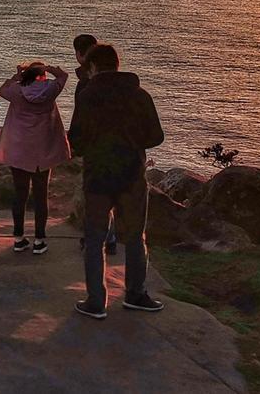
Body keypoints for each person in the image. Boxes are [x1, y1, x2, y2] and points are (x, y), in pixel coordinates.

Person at [67, 43, 165, 319]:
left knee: (96, 238)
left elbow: (76, 140)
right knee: (135, 237)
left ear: (94, 67)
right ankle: (136, 294)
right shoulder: (139, 95)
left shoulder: (87, 97)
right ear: (117, 65)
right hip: (132, 174)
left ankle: (96, 301)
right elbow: (156, 136)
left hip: (98, 175)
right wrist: (133, 143)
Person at [0, 61, 70, 255]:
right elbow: (63, 76)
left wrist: (19, 75)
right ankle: (39, 240)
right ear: (43, 76)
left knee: (19, 195)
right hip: (43, 151)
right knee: (40, 196)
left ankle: (19, 238)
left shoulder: (17, 91)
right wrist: (50, 69)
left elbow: (1, 90)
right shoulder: (51, 90)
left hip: (19, 151)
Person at [72, 34, 118, 256]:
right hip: (122, 151)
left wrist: (75, 143)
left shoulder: (86, 87)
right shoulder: (128, 90)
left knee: (94, 197)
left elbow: (79, 119)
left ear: (81, 56)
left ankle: (97, 238)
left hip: (95, 150)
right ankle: (111, 237)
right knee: (112, 196)